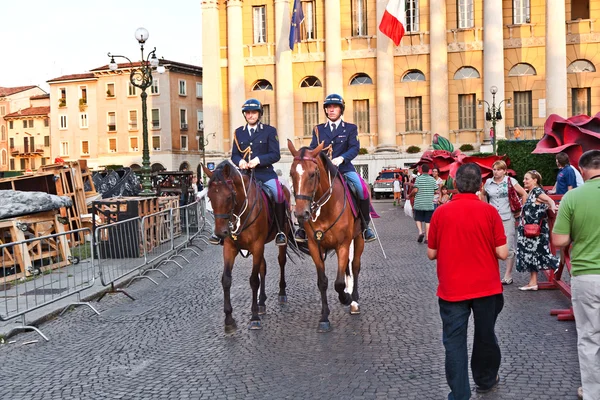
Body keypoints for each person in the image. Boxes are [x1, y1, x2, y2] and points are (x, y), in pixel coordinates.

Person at [427, 163, 508, 400]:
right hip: (486, 286)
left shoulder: (440, 213)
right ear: (480, 186)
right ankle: (485, 379)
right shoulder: (489, 212)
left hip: (452, 288)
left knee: (454, 343)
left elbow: (431, 253)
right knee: (485, 336)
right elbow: (503, 253)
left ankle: (460, 393)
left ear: (455, 185)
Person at [295, 93, 376, 243]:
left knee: (361, 189)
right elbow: (314, 149)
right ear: (325, 110)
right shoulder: (318, 129)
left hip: (344, 168)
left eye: (335, 107)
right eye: (328, 107)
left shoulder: (350, 128)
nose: (331, 110)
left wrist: (341, 158)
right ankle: (302, 227)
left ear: (341, 110)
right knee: (305, 189)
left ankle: (365, 226)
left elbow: (354, 148)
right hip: (323, 171)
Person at [552, 150, 600, 400]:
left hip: (586, 274)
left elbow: (559, 240)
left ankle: (593, 393)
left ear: (582, 171)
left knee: (590, 337)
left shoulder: (573, 197)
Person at [209, 98, 287, 246]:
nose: (250, 115)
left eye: (254, 113)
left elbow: (275, 154)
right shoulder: (239, 132)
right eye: (248, 113)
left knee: (278, 194)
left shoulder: (270, 131)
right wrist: (240, 162)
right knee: (224, 195)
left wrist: (258, 160)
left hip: (264, 173)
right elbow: (235, 154)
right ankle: (220, 230)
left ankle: (280, 231)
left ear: (259, 114)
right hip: (244, 175)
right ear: (244, 115)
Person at [480, 160, 528, 285]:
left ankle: (508, 275)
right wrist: (485, 207)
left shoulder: (511, 181)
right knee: (490, 245)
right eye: (494, 169)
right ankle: (492, 273)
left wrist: (520, 210)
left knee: (508, 246)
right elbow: (482, 194)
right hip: (492, 218)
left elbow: (524, 194)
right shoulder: (488, 183)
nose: (496, 172)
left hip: (507, 217)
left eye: (499, 169)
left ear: (505, 171)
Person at [515, 170, 558, 290]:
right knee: (532, 255)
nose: (524, 181)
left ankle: (559, 264)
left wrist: (552, 205)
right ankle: (532, 283)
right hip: (531, 231)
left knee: (541, 254)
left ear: (535, 180)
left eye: (527, 178)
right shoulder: (533, 192)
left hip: (536, 232)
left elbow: (548, 200)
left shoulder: (537, 191)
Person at [409, 164, 437, 244]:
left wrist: (409, 195)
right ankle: (427, 238)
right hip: (429, 203)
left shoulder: (418, 179)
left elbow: (415, 190)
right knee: (428, 221)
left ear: (421, 170)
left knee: (418, 219)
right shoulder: (432, 180)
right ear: (429, 171)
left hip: (419, 203)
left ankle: (421, 232)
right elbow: (435, 190)